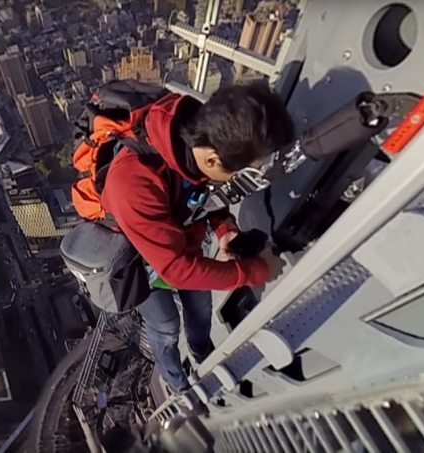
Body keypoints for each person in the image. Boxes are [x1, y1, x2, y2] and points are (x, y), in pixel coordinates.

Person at [101, 82, 291, 393]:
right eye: (239, 173)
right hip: (139, 263)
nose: (238, 180)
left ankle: (203, 353)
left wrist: (224, 229)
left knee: (200, 307)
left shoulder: (193, 130)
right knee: (165, 328)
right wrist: (255, 271)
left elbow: (205, 191)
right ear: (213, 160)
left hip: (180, 241)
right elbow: (176, 270)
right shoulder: (133, 183)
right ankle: (178, 385)